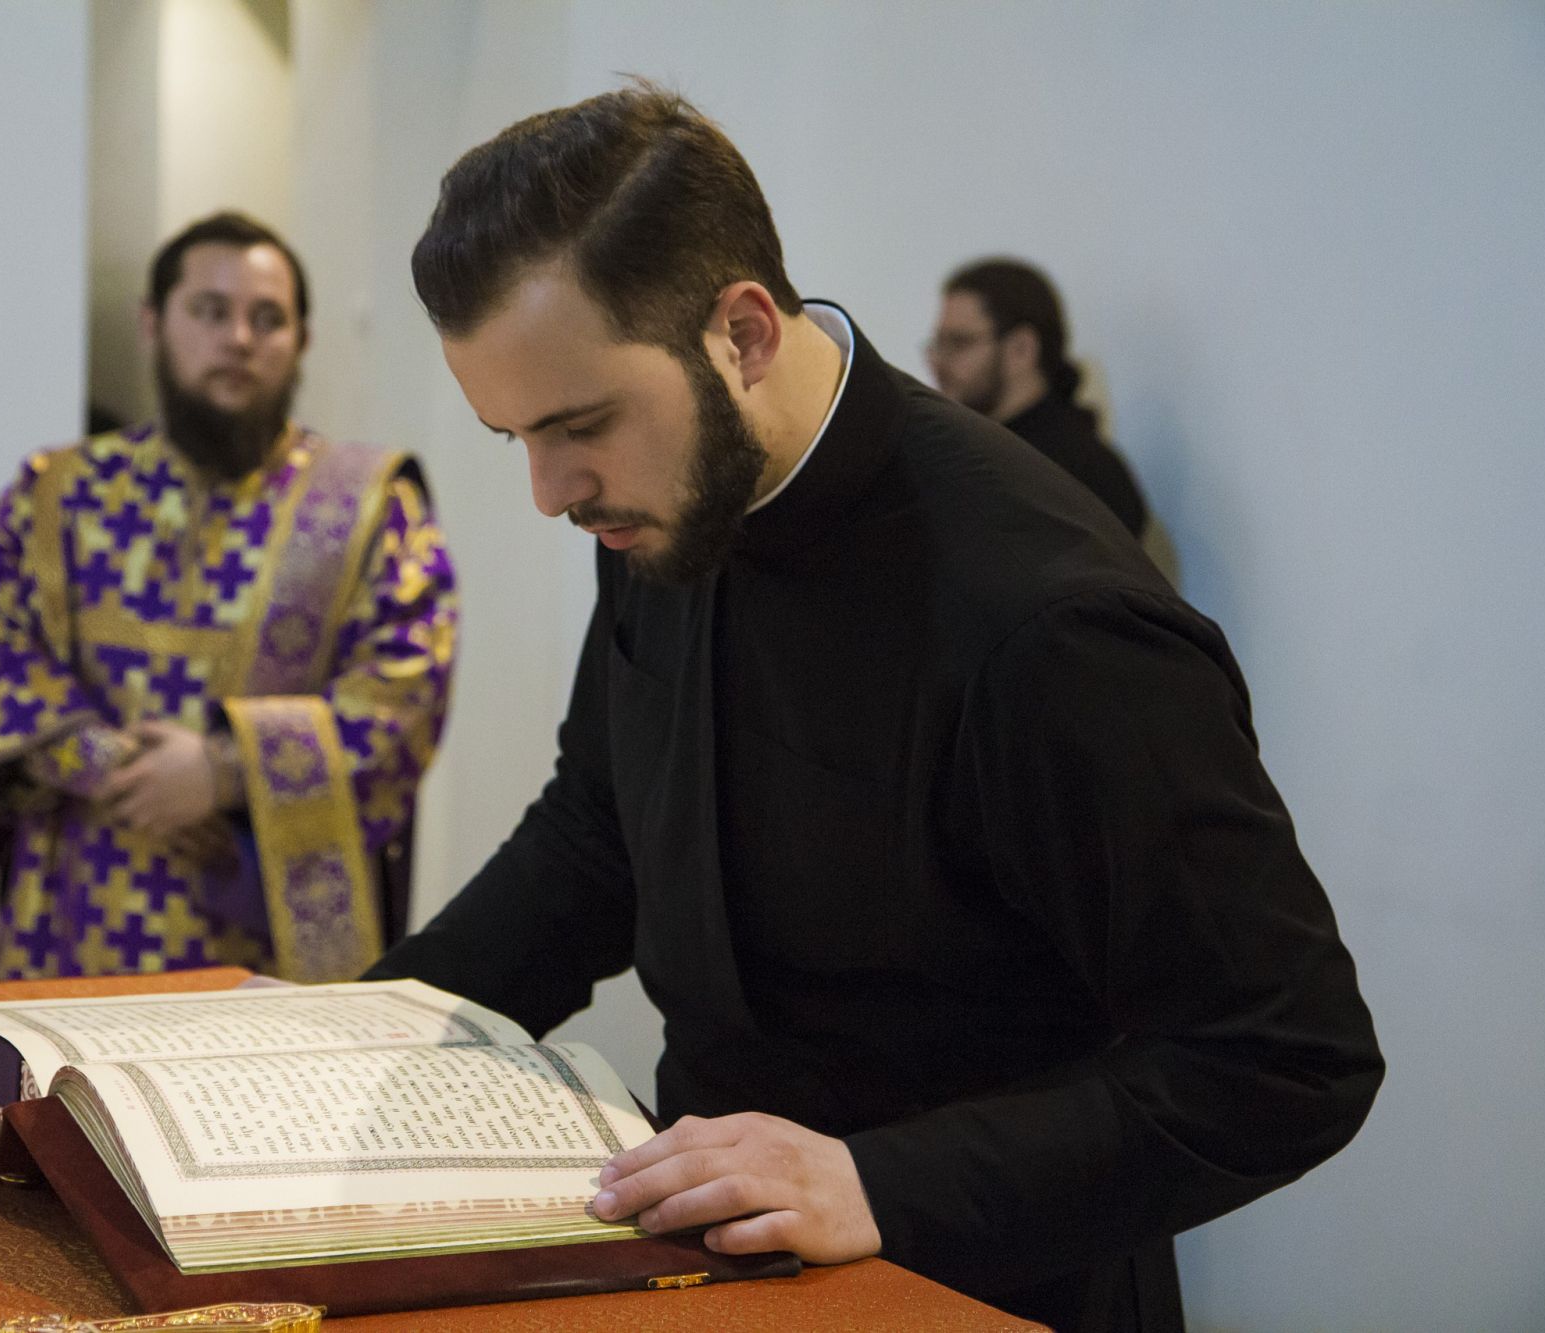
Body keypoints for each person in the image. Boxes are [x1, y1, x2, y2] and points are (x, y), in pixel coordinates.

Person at [363, 86, 1381, 1331]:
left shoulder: (1047, 619)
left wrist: (873, 1181)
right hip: (717, 1265)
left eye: (578, 425)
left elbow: (1285, 1052)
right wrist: (370, 1033)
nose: (548, 491)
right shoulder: (658, 500)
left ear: (740, 334)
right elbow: (599, 832)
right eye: (513, 436)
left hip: (982, 1282)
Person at [0, 212, 457, 983]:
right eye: (210, 311)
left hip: (270, 949)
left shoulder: (369, 508)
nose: (238, 338)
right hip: (77, 910)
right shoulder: (58, 494)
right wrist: (106, 764)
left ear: (302, 341)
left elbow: (403, 695)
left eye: (267, 318)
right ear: (154, 322)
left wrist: (225, 770)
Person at [927, 258, 1149, 537]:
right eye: (938, 343)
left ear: (1022, 348)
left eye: (959, 343)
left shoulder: (1082, 472)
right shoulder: (965, 451)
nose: (938, 362)